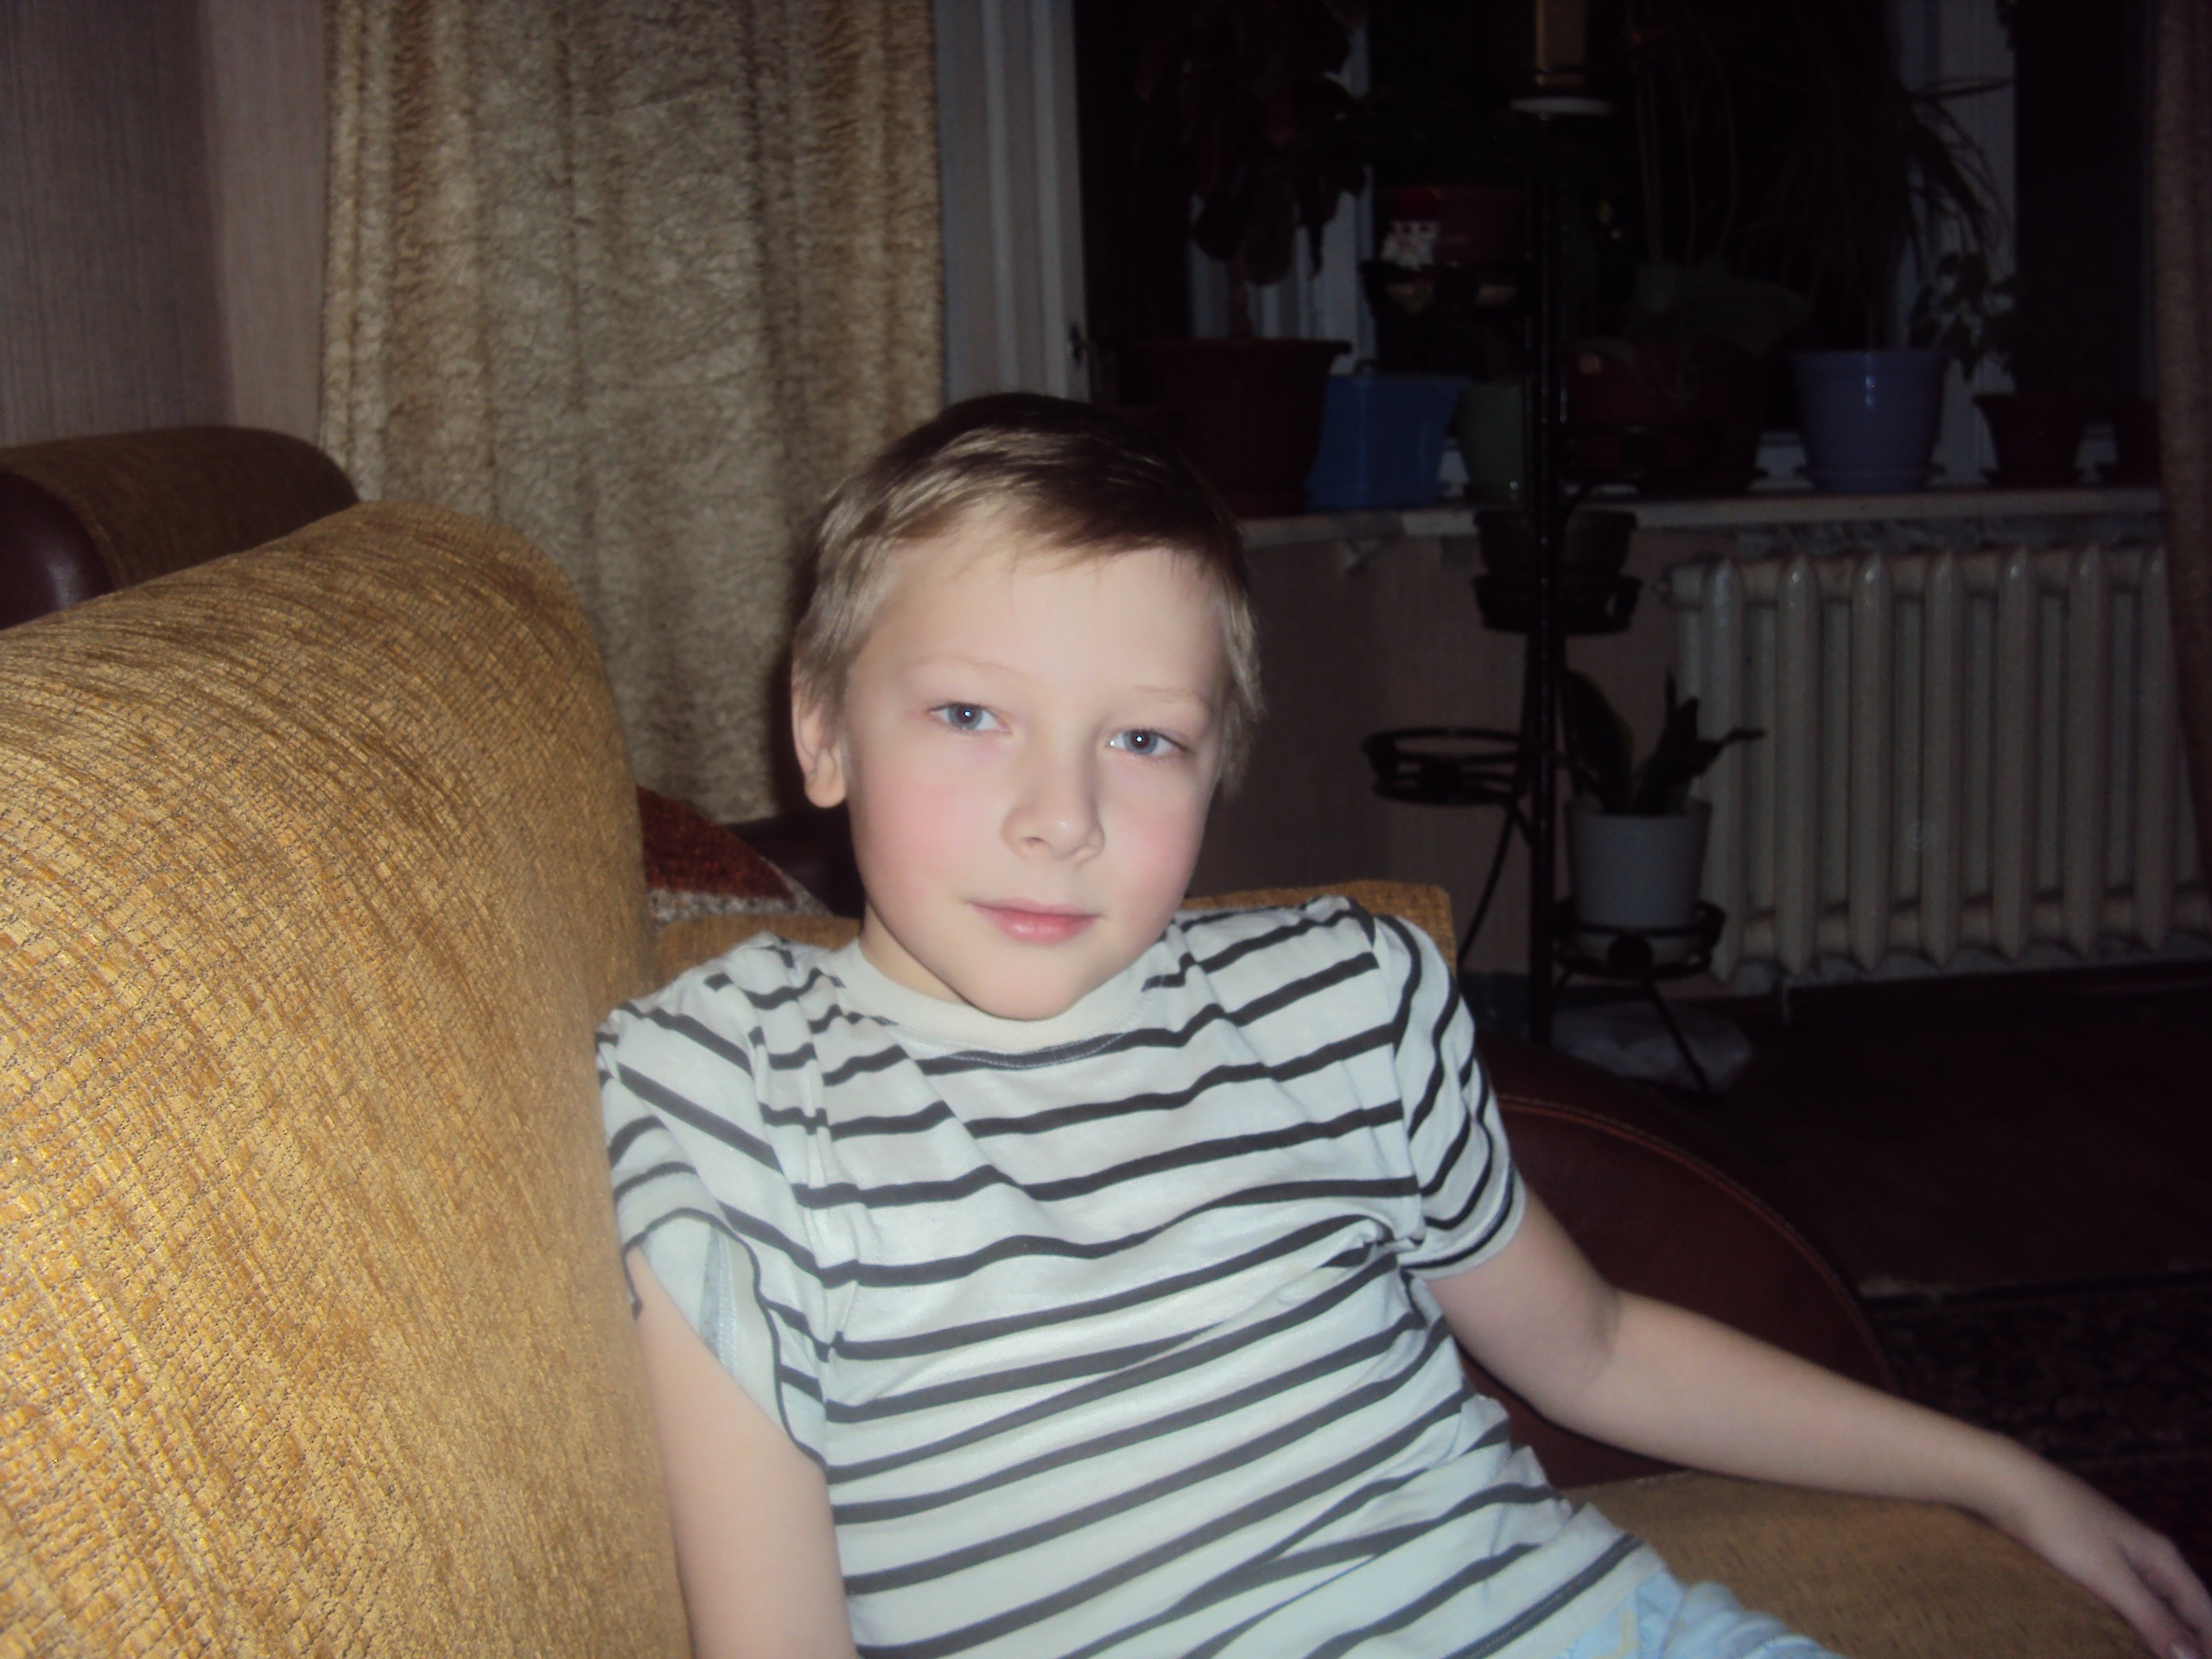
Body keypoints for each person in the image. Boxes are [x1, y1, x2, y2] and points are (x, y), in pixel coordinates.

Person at [599, 394, 2209, 1659]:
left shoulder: (1342, 998)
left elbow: (1596, 1347)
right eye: (969, 714)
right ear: (822, 728)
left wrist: (1999, 1472)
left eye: (1143, 741)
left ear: (1218, 763)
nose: (1060, 816)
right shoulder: (731, 1092)